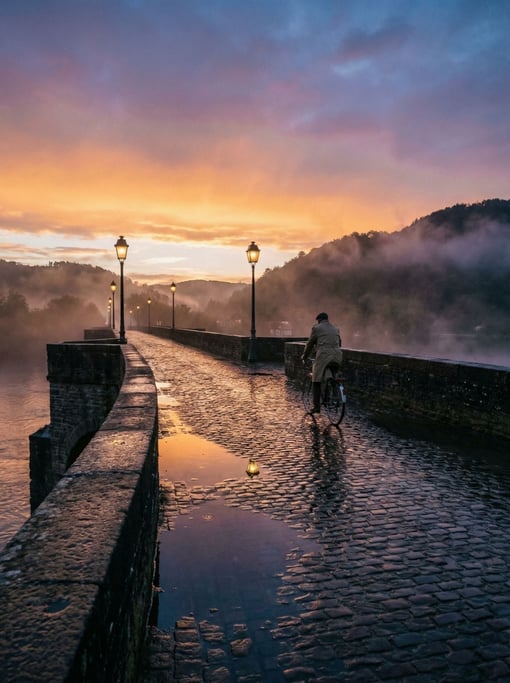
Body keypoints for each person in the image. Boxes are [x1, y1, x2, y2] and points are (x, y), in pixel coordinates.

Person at [301, 312, 343, 414]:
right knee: (333, 373)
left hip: (323, 356)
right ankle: (334, 390)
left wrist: (304, 356)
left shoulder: (317, 328)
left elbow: (310, 344)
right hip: (337, 355)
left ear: (319, 320)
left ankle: (316, 407)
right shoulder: (335, 328)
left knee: (316, 380)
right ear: (327, 319)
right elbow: (340, 342)